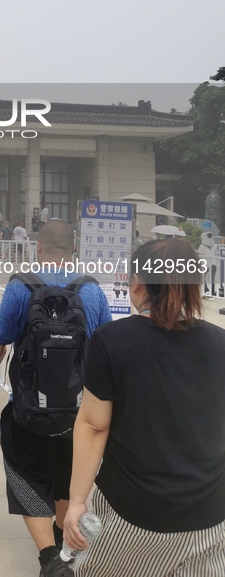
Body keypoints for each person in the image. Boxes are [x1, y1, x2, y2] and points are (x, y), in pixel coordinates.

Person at [63, 238, 225, 576]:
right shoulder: (219, 343)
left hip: (135, 512)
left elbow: (94, 426)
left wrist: (77, 501)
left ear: (137, 282)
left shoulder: (113, 340)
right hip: (211, 516)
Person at [0, 220, 112, 577]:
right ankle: (65, 545)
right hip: (79, 414)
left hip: (28, 410)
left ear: (38, 247)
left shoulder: (21, 287)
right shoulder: (92, 290)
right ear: (74, 248)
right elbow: (105, 346)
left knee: (26, 474)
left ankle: (50, 558)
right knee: (68, 477)